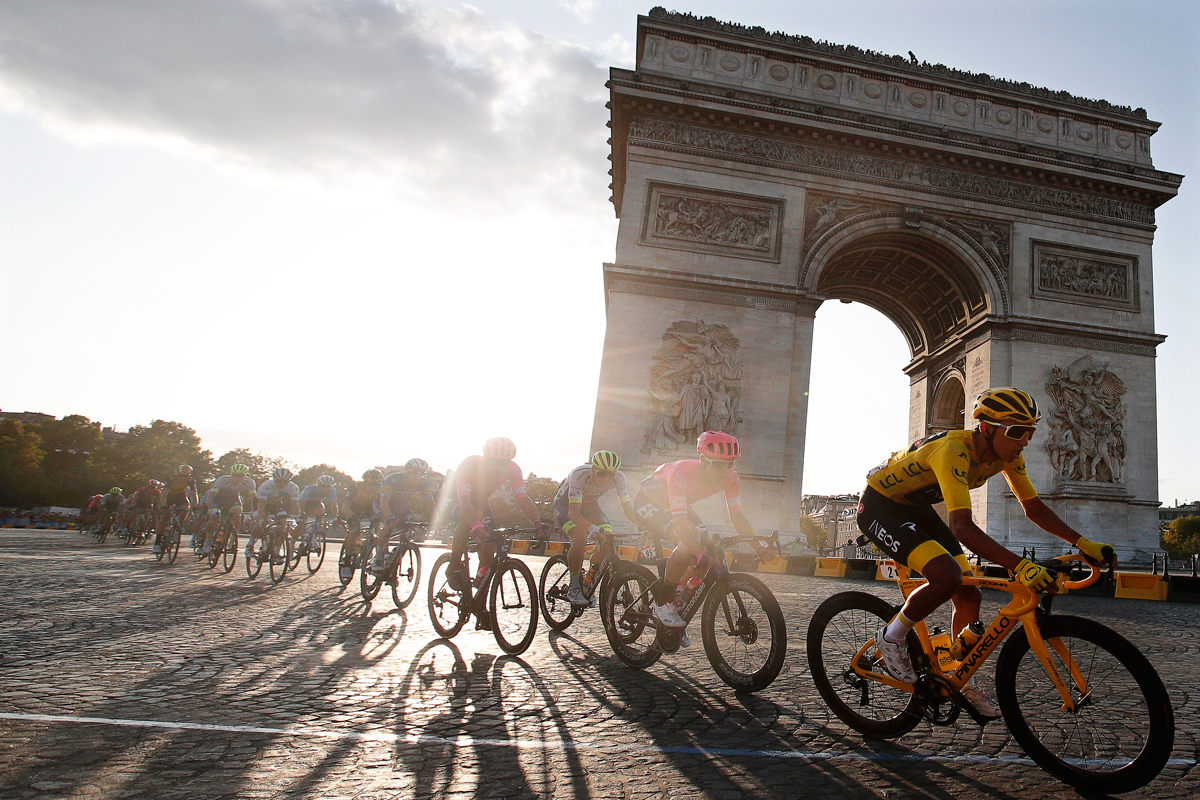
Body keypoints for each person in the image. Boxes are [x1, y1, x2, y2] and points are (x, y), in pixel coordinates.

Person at [855, 387, 1116, 719]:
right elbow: (962, 528)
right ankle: (891, 637)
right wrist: (1022, 566)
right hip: (880, 505)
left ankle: (962, 682)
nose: (1025, 441)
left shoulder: (1007, 456)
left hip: (915, 505)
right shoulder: (953, 450)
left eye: (1031, 432)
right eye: (1017, 432)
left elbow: (1033, 508)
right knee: (947, 576)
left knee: (969, 596)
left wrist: (1083, 543)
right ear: (986, 428)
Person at [634, 431, 769, 645]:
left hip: (677, 504)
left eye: (730, 464)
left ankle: (677, 608)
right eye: (719, 464)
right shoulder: (681, 472)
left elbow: (738, 516)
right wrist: (697, 551)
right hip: (649, 501)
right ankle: (663, 602)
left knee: (705, 545)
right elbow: (679, 524)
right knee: (690, 543)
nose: (724, 470)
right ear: (704, 460)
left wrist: (758, 547)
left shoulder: (731, 477)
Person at [450, 438, 549, 628]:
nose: (498, 467)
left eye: (502, 463)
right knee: (472, 517)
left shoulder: (513, 469)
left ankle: (479, 600)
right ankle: (454, 565)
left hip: (481, 503)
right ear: (485, 457)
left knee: (489, 552)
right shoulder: (470, 465)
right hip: (460, 500)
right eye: (493, 461)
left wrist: (537, 523)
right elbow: (464, 503)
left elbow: (523, 499)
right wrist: (475, 524)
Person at [554, 449, 640, 606]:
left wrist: (642, 525)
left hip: (590, 505)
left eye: (611, 474)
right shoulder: (579, 475)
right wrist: (592, 529)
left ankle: (588, 581)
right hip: (566, 506)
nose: (606, 479)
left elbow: (627, 507)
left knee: (608, 538)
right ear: (593, 468)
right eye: (602, 473)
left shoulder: (619, 478)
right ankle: (574, 587)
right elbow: (574, 514)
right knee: (580, 536)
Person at [368, 459, 434, 571]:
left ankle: (395, 557)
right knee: (389, 526)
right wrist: (389, 516)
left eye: (422, 473)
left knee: (408, 530)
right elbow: (384, 502)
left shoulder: (423, 483)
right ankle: (378, 559)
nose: (418, 475)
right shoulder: (392, 479)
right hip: (384, 505)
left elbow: (429, 503)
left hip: (402, 507)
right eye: (415, 471)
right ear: (406, 471)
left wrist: (435, 519)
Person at [200, 464, 257, 553]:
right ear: (231, 474)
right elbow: (210, 498)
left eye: (240, 476)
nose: (236, 478)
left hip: (233, 498)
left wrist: (255, 510)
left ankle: (233, 538)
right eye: (234, 475)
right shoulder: (222, 480)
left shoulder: (250, 482)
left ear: (244, 476)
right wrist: (212, 510)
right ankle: (207, 541)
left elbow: (253, 498)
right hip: (218, 498)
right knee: (214, 518)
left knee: (237, 516)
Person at [341, 468, 383, 580]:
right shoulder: (355, 487)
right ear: (364, 482)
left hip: (370, 508)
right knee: (354, 531)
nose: (373, 487)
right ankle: (347, 561)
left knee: (376, 524)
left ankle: (369, 547)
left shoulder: (381, 490)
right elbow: (345, 506)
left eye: (376, 484)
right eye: (370, 484)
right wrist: (352, 516)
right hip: (354, 508)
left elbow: (382, 506)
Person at [156, 465, 199, 551]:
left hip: (180, 496)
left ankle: (178, 527)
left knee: (185, 508)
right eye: (180, 475)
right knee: (165, 517)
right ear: (177, 474)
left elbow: (194, 494)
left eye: (185, 476)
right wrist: (163, 505)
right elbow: (164, 494)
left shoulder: (191, 480)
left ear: (188, 475)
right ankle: (157, 542)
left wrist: (195, 506)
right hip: (169, 496)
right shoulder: (171, 478)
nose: (182, 478)